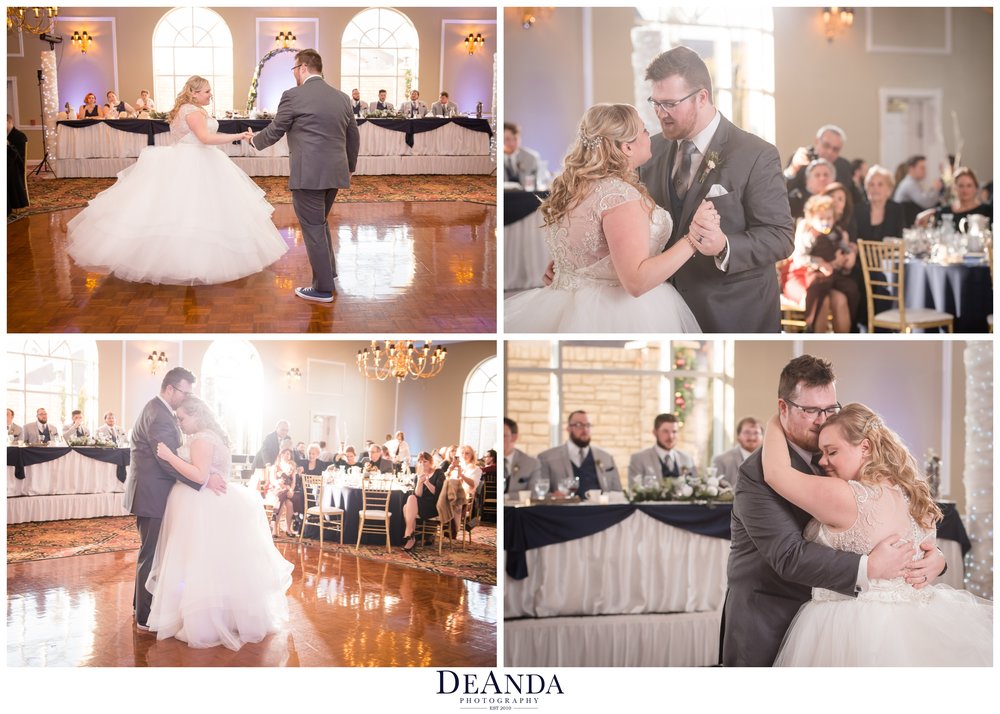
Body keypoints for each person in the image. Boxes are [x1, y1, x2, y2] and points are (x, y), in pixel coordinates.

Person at [721, 355, 946, 666]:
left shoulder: (853, 462)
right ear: (783, 408)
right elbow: (789, 556)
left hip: (851, 624)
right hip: (771, 616)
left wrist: (934, 559)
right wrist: (868, 568)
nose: (822, 418)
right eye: (811, 410)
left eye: (829, 408)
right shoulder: (756, 473)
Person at [763, 404, 991, 666]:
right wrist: (938, 557)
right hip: (918, 624)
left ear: (866, 447)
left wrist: (777, 418)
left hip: (850, 627)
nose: (822, 461)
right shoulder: (915, 496)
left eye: (831, 452)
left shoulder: (845, 495)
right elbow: (927, 552)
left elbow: (776, 473)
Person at [66, 75, 287, 285]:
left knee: (199, 211)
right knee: (188, 212)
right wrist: (239, 136)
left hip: (200, 159)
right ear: (194, 93)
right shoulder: (191, 111)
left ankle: (196, 259)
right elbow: (205, 138)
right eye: (207, 91)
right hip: (193, 161)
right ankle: (186, 263)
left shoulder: (195, 109)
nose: (211, 94)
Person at [504, 103, 704, 333]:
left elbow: (585, 251)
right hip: (619, 312)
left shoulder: (573, 189)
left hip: (565, 304)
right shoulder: (620, 197)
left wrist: (566, 268)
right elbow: (636, 282)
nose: (650, 135)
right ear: (627, 147)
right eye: (644, 130)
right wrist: (692, 240)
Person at [638, 46, 794, 333]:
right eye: (655, 103)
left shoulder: (756, 154)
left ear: (701, 97)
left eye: (670, 104)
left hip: (733, 313)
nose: (661, 114)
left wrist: (725, 245)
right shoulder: (650, 150)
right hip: (661, 312)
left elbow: (780, 236)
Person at [150, 394, 293, 650]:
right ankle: (228, 616)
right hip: (220, 503)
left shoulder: (201, 439)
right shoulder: (215, 436)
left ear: (196, 415)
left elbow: (199, 474)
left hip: (203, 504)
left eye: (182, 417)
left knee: (201, 562)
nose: (180, 423)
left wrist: (171, 457)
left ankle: (204, 623)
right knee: (222, 564)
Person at [250, 49, 360, 303]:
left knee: (312, 227)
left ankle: (322, 289)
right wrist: (350, 166)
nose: (294, 75)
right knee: (319, 223)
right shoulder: (342, 98)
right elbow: (353, 135)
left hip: (308, 174)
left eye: (293, 70)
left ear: (302, 68)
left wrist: (254, 141)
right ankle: (329, 274)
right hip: (335, 172)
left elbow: (277, 129)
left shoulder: (293, 96)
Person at [124, 367, 227, 633]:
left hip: (151, 493)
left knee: (151, 553)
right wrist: (203, 480)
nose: (186, 398)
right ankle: (145, 616)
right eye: (185, 392)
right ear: (170, 389)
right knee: (151, 554)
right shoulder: (158, 415)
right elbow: (166, 461)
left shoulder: (157, 410)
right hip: (153, 494)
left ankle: (141, 607)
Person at [781, 194, 858, 333]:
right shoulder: (809, 234)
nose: (826, 222)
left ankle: (852, 329)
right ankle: (811, 327)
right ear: (812, 219)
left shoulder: (836, 233)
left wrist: (847, 255)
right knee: (819, 291)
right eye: (821, 218)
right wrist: (820, 263)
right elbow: (800, 256)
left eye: (829, 218)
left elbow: (843, 248)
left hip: (833, 274)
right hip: (812, 273)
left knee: (849, 289)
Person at [537, 410, 621, 498]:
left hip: (599, 510)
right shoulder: (546, 458)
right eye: (578, 425)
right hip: (564, 510)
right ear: (568, 428)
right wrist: (553, 497)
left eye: (588, 425)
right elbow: (540, 495)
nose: (585, 430)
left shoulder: (606, 457)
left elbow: (618, 493)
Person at [915, 166, 993, 230]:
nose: (965, 190)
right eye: (961, 186)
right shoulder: (945, 212)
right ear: (955, 188)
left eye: (969, 185)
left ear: (975, 188)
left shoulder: (986, 210)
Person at [627, 413, 694, 486]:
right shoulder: (639, 459)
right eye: (665, 431)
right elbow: (634, 491)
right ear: (655, 433)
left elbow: (696, 488)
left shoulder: (687, 459)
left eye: (674, 432)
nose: (670, 437)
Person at [400, 451, 445, 552]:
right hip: (421, 504)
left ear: (430, 462)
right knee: (409, 502)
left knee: (408, 505)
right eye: (420, 462)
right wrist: (420, 482)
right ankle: (411, 537)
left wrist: (427, 482)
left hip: (434, 505)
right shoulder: (418, 475)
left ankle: (410, 535)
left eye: (425, 461)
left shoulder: (439, 472)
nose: (423, 464)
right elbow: (418, 495)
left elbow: (438, 493)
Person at [437, 445, 482, 536]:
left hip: (464, 497)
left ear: (472, 455)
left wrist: (461, 475)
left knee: (449, 498)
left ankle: (449, 531)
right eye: (462, 453)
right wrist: (449, 471)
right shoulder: (455, 466)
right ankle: (432, 531)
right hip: (450, 495)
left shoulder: (476, 469)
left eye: (467, 453)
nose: (464, 455)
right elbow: (444, 481)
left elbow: (473, 484)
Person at [711, 416, 763, 487]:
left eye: (756, 433)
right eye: (747, 432)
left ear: (762, 437)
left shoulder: (770, 460)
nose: (752, 437)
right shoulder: (721, 461)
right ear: (738, 436)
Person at [503, 417, 541, 494]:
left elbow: (533, 493)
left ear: (514, 437)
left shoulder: (531, 463)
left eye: (503, 436)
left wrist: (507, 497)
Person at [268, 447, 300, 536]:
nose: (287, 455)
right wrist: (278, 483)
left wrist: (291, 490)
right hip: (276, 490)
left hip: (287, 491)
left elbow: (294, 482)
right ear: (281, 455)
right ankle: (275, 528)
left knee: (289, 504)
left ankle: (288, 528)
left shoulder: (292, 467)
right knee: (281, 503)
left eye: (289, 454)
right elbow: (272, 480)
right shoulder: (275, 467)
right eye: (285, 453)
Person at [503, 121, 545, 186]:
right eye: (507, 139)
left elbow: (541, 181)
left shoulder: (531, 157)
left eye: (515, 139)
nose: (512, 143)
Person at [7, 114, 29, 220]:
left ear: (9, 122)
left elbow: (20, 157)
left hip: (16, 166)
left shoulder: (19, 136)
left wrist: (8, 146)